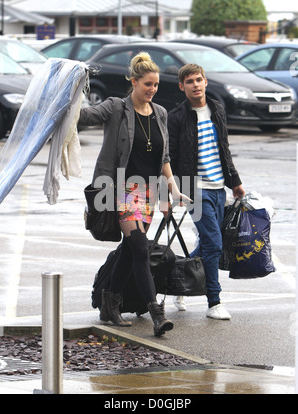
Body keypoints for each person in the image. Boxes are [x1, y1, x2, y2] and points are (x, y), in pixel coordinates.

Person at [78, 52, 190, 336]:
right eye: (147, 84)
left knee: (130, 251)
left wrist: (172, 189)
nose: (152, 90)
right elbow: (85, 115)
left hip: (149, 191)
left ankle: (109, 304)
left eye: (155, 85)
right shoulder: (116, 107)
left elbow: (163, 157)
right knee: (140, 248)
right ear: (133, 81)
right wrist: (72, 88)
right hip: (122, 190)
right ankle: (156, 314)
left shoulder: (160, 113)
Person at [166, 64, 245, 320]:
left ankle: (179, 281)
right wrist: (173, 191)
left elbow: (224, 148)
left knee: (207, 244)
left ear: (206, 81)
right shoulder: (177, 116)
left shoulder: (217, 109)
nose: (195, 85)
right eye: (189, 81)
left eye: (199, 80)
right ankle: (214, 301)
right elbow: (170, 158)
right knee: (214, 243)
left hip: (218, 188)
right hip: (194, 189)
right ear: (182, 86)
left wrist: (235, 180)